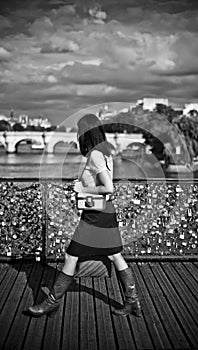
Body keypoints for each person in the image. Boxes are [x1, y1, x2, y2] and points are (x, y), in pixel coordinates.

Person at [28, 114, 141, 318]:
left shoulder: (95, 155)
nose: (77, 135)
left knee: (71, 255)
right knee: (115, 255)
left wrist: (81, 187)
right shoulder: (105, 153)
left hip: (95, 216)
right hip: (105, 211)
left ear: (86, 133)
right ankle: (132, 302)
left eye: (79, 131)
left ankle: (51, 302)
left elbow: (108, 187)